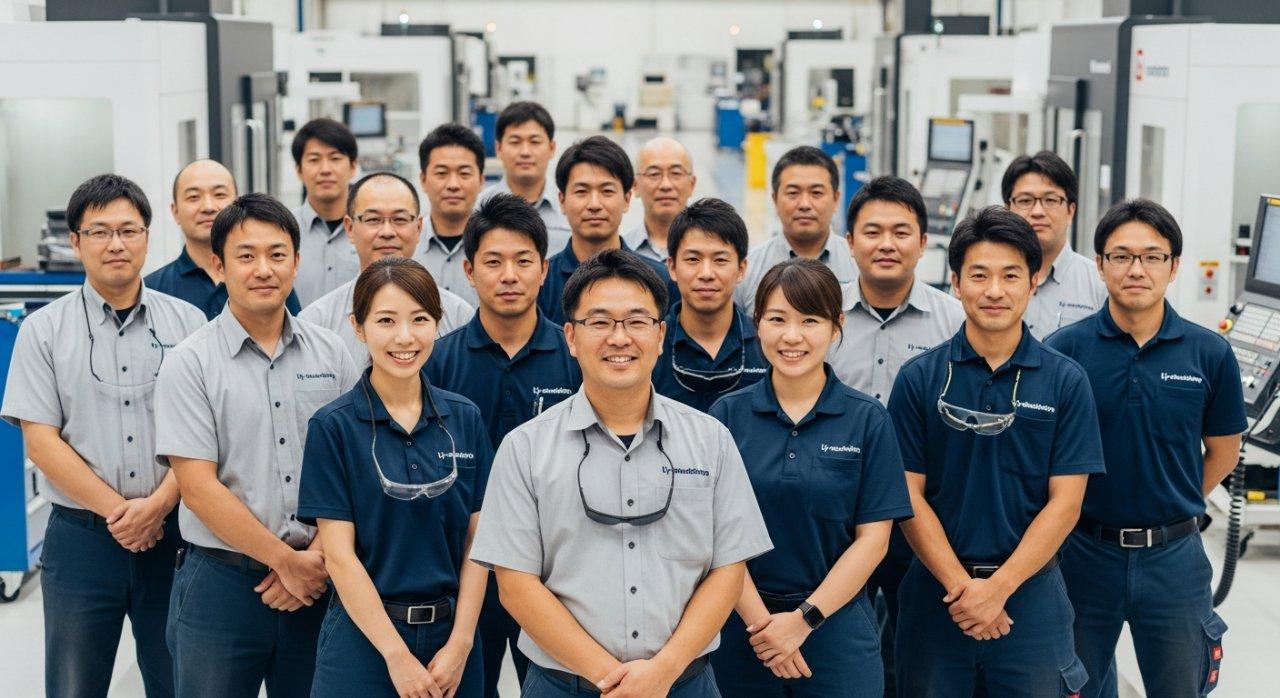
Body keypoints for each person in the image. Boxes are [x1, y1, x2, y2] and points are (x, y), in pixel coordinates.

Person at [470, 250, 772, 697]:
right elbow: (514, 584)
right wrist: (613, 679)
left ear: (661, 334)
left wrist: (662, 671)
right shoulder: (524, 449)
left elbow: (728, 568)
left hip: (684, 684)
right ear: (570, 336)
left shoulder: (711, 440)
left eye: (636, 321)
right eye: (600, 322)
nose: (619, 338)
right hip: (562, 685)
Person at [1, 174, 205, 698]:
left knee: (179, 680)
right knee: (74, 684)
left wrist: (157, 507)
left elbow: (209, 435)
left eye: (128, 230)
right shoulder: (42, 330)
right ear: (75, 242)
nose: (116, 244)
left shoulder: (190, 323)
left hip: (175, 536)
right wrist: (124, 514)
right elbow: (41, 441)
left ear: (147, 234)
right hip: (82, 540)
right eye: (99, 232)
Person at [887, 206, 1103, 697]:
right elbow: (907, 495)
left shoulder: (1065, 381)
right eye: (979, 275)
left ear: (1033, 282)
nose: (994, 290)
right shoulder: (920, 379)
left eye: (1010, 276)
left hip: (1032, 597)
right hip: (936, 595)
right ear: (955, 283)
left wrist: (998, 589)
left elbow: (1067, 502)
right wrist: (964, 589)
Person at [154, 193, 360, 697]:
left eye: (277, 253)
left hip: (321, 578)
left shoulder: (332, 352)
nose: (263, 269)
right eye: (246, 256)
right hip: (221, 587)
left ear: (296, 261)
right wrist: (285, 562)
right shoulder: (189, 363)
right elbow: (198, 487)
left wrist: (314, 559)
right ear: (218, 266)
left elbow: (356, 462)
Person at [1045, 199, 1244, 698]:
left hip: (1174, 558)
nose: (1136, 269)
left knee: (1179, 687)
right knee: (1072, 686)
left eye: (1152, 257)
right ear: (1100, 264)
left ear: (1174, 267)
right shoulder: (1064, 352)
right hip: (1082, 553)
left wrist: (1173, 498)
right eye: (1121, 256)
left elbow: (1224, 451)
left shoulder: (1209, 353)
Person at [708, 259, 913, 697]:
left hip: (835, 629)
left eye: (810, 320)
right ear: (757, 323)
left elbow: (874, 540)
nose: (792, 336)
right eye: (777, 319)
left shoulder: (868, 420)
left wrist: (803, 621)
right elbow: (715, 536)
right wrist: (765, 629)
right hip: (743, 628)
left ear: (837, 325)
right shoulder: (726, 417)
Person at [299, 257, 493, 698]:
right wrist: (396, 655)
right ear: (359, 327)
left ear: (437, 325)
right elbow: (340, 556)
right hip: (364, 639)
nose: (404, 337)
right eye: (386, 320)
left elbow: (479, 541)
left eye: (420, 319)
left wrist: (461, 643)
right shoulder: (333, 427)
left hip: (452, 635)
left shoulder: (464, 417)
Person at [425, 193, 582, 697]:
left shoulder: (576, 356)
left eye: (523, 261)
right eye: (493, 262)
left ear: (544, 270)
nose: (508, 275)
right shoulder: (437, 362)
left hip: (557, 569)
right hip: (460, 569)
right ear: (469, 272)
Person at [826, 175, 964, 697]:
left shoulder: (954, 321)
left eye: (902, 232)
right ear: (849, 241)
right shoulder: (822, 314)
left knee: (920, 646)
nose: (887, 244)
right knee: (840, 641)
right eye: (873, 231)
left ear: (924, 243)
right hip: (839, 515)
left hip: (924, 514)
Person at [300, 172, 474, 366]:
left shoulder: (458, 315)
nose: (387, 232)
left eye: (399, 219)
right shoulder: (315, 322)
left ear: (418, 228)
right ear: (349, 228)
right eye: (373, 219)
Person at [535, 135, 678, 325]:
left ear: (627, 199)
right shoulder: (541, 283)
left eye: (607, 191)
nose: (594, 204)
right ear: (562, 200)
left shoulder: (662, 279)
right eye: (581, 191)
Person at [147, 159, 302, 319]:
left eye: (219, 195)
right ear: (175, 211)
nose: (208, 207)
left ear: (237, 203)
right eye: (193, 197)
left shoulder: (269, 283)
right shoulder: (152, 290)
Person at [651, 198, 766, 412]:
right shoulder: (649, 344)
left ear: (741, 269)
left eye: (720, 260)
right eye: (693, 259)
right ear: (672, 267)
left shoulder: (766, 343)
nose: (706, 274)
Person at [735, 146, 857, 315]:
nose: (804, 204)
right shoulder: (747, 273)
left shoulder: (859, 265)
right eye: (793, 193)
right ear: (775, 199)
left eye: (816, 193)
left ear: (836, 199)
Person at [1002, 151, 1106, 337]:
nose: (1038, 211)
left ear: (1070, 211)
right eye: (1025, 201)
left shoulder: (1100, 285)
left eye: (1050, 200)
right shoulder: (982, 280)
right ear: (1007, 210)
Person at [477, 101, 570, 251]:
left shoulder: (571, 208)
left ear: (552, 148)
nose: (525, 152)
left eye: (534, 141)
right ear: (498, 148)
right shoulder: (479, 208)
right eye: (515, 142)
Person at [415, 123, 487, 308]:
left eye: (464, 173)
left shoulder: (497, 248)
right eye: (441, 173)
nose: (453, 184)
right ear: (423, 180)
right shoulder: (406, 247)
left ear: (481, 181)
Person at [291, 118, 361, 305]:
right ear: (299, 170)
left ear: (353, 166)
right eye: (314, 160)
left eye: (335, 158)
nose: (325, 170)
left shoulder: (371, 230)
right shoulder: (283, 231)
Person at [622, 136, 698, 262]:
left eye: (676, 173)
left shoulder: (714, 251)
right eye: (654, 174)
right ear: (635, 185)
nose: (665, 185)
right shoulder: (621, 252)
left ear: (692, 184)